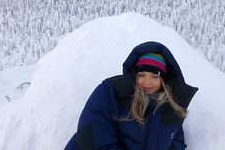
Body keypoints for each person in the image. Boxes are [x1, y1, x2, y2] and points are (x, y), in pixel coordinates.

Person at [65, 41, 198, 150]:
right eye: (141, 75)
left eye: (154, 76)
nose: (147, 83)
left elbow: (176, 138)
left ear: (163, 80)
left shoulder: (171, 106)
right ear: (134, 75)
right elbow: (92, 130)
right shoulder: (112, 92)